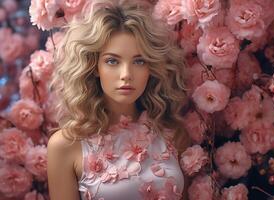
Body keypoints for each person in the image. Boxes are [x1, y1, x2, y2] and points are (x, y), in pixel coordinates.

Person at [47, 0, 190, 199]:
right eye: (112, 61)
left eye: (139, 61)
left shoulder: (171, 133)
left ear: (151, 67)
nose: (126, 74)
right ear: (94, 66)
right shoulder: (65, 146)